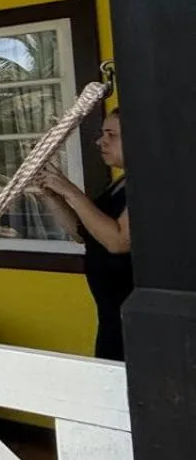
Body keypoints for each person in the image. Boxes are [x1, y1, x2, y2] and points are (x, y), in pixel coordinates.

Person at [35, 110, 130, 360]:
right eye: (102, 134)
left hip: (133, 316)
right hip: (112, 314)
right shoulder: (122, 182)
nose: (101, 141)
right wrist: (52, 193)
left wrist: (70, 190)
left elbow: (118, 241)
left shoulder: (152, 183)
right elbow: (83, 233)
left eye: (112, 135)